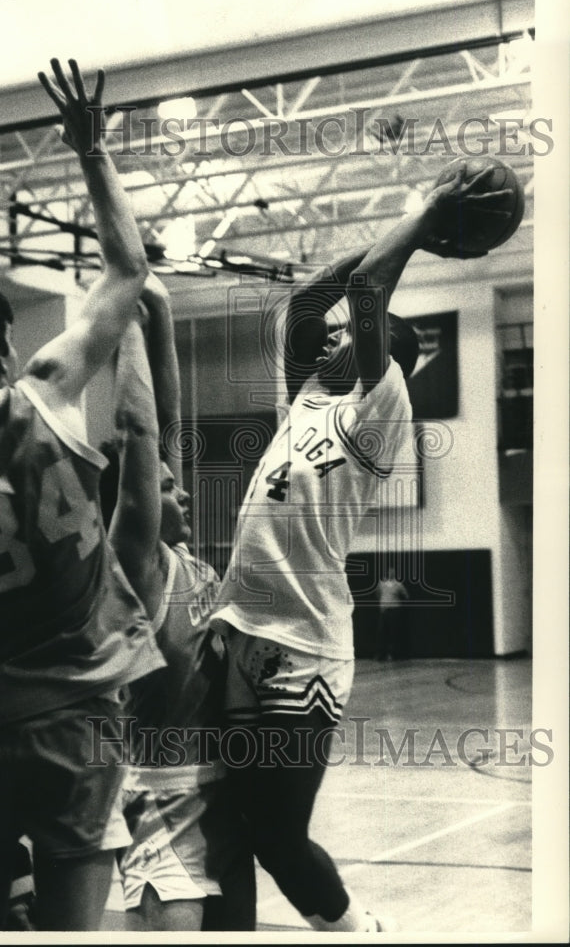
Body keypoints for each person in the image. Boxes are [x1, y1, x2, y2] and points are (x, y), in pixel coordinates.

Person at [0, 58, 165, 931]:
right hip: (81, 713)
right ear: (6, 351)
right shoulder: (48, 389)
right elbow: (127, 270)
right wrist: (90, 151)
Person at [209, 166, 513, 932]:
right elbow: (310, 299)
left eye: (351, 335)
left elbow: (372, 289)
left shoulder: (382, 403)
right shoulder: (311, 394)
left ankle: (355, 929)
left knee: (277, 836)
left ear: (389, 356)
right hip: (239, 633)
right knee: (226, 825)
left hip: (302, 648)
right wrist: (410, 237)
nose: (335, 334)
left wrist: (425, 215)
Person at [99, 280, 256, 931]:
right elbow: (140, 430)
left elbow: (164, 426)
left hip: (221, 788)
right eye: (166, 487)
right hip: (164, 795)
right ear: (134, 504)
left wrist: (160, 313)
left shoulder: (187, 561)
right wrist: (126, 310)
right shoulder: (134, 567)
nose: (182, 491)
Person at [375, 565, 410, 661]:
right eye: (389, 572)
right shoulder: (381, 584)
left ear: (395, 575)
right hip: (384, 610)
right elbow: (377, 594)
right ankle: (381, 654)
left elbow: (406, 596)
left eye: (393, 573)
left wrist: (395, 601)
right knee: (382, 632)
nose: (391, 574)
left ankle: (392, 654)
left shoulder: (398, 585)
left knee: (393, 633)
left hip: (394, 610)